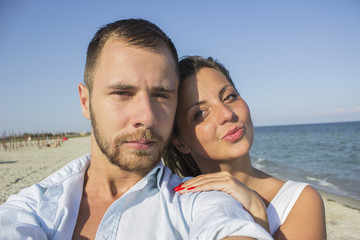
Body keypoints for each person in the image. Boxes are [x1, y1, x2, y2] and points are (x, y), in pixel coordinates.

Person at [0, 20, 272, 240]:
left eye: (162, 95)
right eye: (122, 92)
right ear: (85, 101)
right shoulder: (32, 208)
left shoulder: (198, 203)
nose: (147, 116)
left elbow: (228, 227)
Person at [163, 56, 326, 239]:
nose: (227, 114)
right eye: (200, 113)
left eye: (229, 97)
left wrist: (259, 215)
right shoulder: (172, 206)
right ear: (180, 143)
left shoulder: (299, 201)